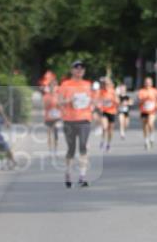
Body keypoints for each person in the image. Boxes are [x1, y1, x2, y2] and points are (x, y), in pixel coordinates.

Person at [57, 59, 94, 188]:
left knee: (83, 147)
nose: (79, 70)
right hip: (69, 120)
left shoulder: (88, 84)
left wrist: (92, 105)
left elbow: (92, 101)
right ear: (72, 70)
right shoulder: (65, 84)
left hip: (84, 119)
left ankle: (82, 177)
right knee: (71, 149)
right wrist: (70, 100)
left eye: (82, 68)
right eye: (76, 68)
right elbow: (59, 102)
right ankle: (68, 174)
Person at [137, 77, 157, 149]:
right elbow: (139, 101)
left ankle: (152, 136)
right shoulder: (141, 91)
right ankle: (146, 140)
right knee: (144, 126)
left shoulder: (155, 91)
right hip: (144, 110)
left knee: (150, 123)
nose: (148, 84)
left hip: (152, 111)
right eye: (146, 82)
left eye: (149, 82)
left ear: (151, 83)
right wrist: (144, 100)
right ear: (144, 83)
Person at [98, 77, 118, 151]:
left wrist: (114, 100)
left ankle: (108, 143)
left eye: (107, 84)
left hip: (112, 112)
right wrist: (99, 105)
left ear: (110, 84)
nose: (106, 85)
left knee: (110, 129)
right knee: (104, 127)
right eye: (105, 84)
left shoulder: (113, 92)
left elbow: (117, 101)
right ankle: (103, 140)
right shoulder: (101, 91)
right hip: (104, 111)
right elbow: (98, 100)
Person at [42, 81, 62, 155]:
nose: (53, 88)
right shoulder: (46, 96)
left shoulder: (58, 95)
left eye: (54, 86)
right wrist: (48, 104)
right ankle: (50, 149)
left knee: (56, 133)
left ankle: (55, 149)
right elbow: (44, 106)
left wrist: (59, 105)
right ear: (49, 88)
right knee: (49, 134)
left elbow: (61, 106)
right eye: (51, 87)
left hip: (57, 117)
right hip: (48, 117)